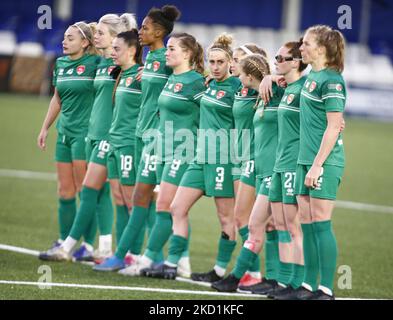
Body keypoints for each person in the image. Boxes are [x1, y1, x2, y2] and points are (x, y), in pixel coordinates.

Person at [143, 33, 241, 281]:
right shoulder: (207, 84)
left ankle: (221, 270)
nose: (216, 67)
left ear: (231, 63)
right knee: (177, 208)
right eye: (212, 61)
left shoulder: (237, 87)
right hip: (199, 158)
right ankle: (172, 264)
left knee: (226, 217)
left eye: (221, 62)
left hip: (223, 159)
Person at [94, 5, 182, 272]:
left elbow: (189, 79)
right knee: (140, 200)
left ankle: (140, 256)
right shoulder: (151, 61)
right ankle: (144, 257)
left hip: (157, 138)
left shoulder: (167, 60)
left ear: (159, 31)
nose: (140, 31)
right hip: (139, 135)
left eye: (145, 27)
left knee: (150, 200)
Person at [129, 32, 205, 279]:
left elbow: (209, 116)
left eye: (172, 49)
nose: (167, 53)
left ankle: (147, 259)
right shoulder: (171, 78)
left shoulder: (197, 82)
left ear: (187, 54)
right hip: (163, 151)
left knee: (165, 205)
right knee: (174, 209)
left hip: (182, 153)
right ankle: (180, 261)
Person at [212, 53, 285, 293]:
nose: (234, 69)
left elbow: (293, 85)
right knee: (255, 221)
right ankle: (262, 277)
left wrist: (272, 77)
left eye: (238, 68)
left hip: (262, 163)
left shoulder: (272, 91)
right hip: (252, 162)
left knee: (265, 223)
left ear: (249, 75)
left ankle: (260, 277)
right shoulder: (255, 94)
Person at [289, 25, 346, 300]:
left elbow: (334, 127)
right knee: (307, 223)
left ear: (321, 49)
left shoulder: (332, 80)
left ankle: (326, 289)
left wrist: (317, 165)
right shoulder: (313, 74)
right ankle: (308, 285)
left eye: (307, 43)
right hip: (304, 159)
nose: (302, 48)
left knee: (321, 222)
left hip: (323, 162)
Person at [37, 21, 100, 260]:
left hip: (84, 135)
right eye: (64, 37)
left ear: (85, 42)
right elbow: (57, 98)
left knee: (86, 190)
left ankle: (90, 246)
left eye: (71, 38)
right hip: (64, 134)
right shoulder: (61, 63)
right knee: (65, 191)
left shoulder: (95, 63)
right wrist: (45, 127)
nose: (64, 41)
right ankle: (65, 241)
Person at [230, 44, 267, 287]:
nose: (233, 64)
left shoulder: (261, 89)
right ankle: (253, 273)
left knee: (248, 219)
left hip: (255, 158)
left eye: (237, 60)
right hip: (241, 157)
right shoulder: (240, 88)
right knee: (243, 219)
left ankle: (255, 274)